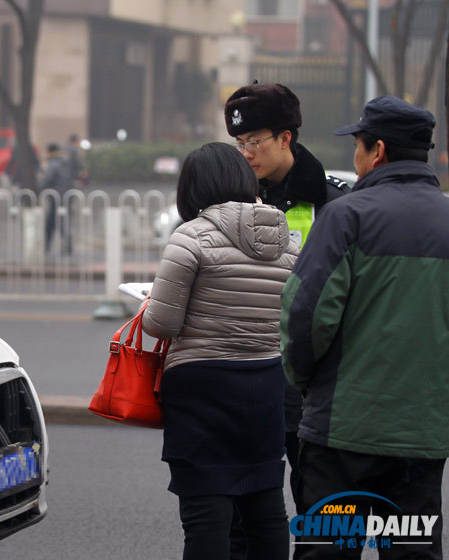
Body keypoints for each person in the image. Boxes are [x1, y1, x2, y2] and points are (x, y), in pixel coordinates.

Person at [280, 96, 449, 559]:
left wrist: (304, 383)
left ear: (376, 151)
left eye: (358, 145)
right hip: (422, 431)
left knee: (328, 550)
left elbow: (306, 316)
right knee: (412, 551)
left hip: (341, 432)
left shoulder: (346, 216)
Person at [142, 142, 297, 560]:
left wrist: (147, 306)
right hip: (266, 383)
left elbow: (162, 324)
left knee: (206, 512)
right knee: (266, 508)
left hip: (201, 387)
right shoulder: (288, 241)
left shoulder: (190, 237)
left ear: (192, 188)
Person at [224, 82, 350, 514]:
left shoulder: (334, 204)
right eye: (239, 143)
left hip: (313, 384)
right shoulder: (229, 201)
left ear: (285, 138)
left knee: (323, 510)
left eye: (255, 142)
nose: (246, 153)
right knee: (248, 511)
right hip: (247, 376)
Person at [37, 143, 73, 254]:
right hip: (65, 196)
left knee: (53, 222)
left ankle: (48, 246)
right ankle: (64, 247)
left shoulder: (54, 164)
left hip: (56, 197)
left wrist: (38, 190)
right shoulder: (65, 162)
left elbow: (47, 179)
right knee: (58, 222)